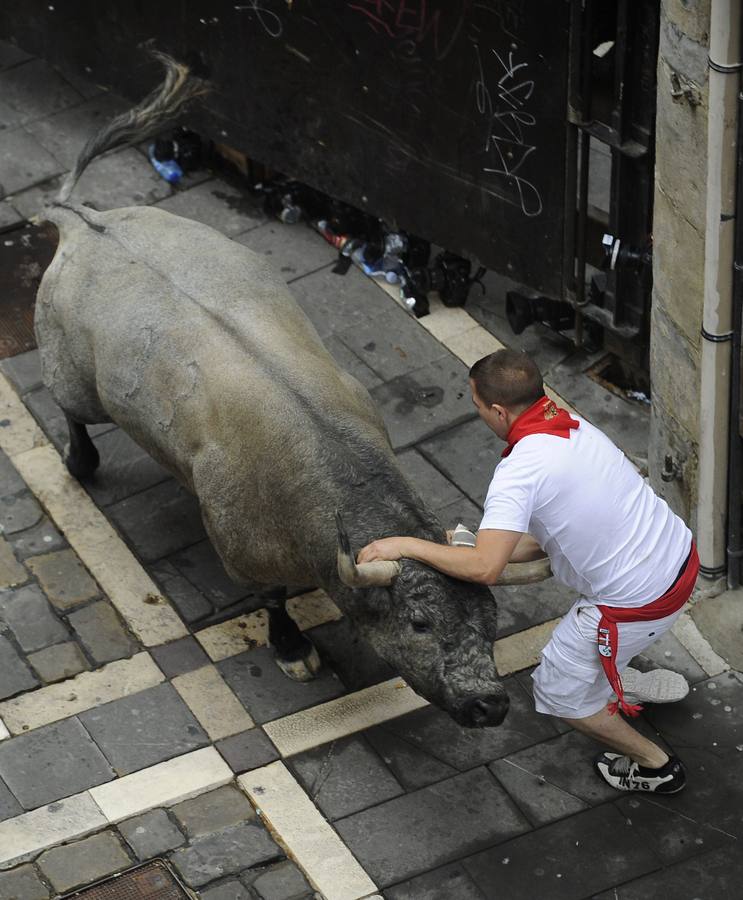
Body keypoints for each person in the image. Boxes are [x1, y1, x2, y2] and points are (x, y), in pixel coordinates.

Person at [358, 349, 698, 794]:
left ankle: (656, 766)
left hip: (637, 604)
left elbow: (483, 569)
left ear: (498, 410)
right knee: (585, 655)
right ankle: (618, 682)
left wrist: (404, 545)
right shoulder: (575, 428)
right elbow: (543, 540)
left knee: (561, 692)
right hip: (679, 560)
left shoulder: (518, 472)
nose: (477, 412)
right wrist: (469, 543)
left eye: (476, 405)